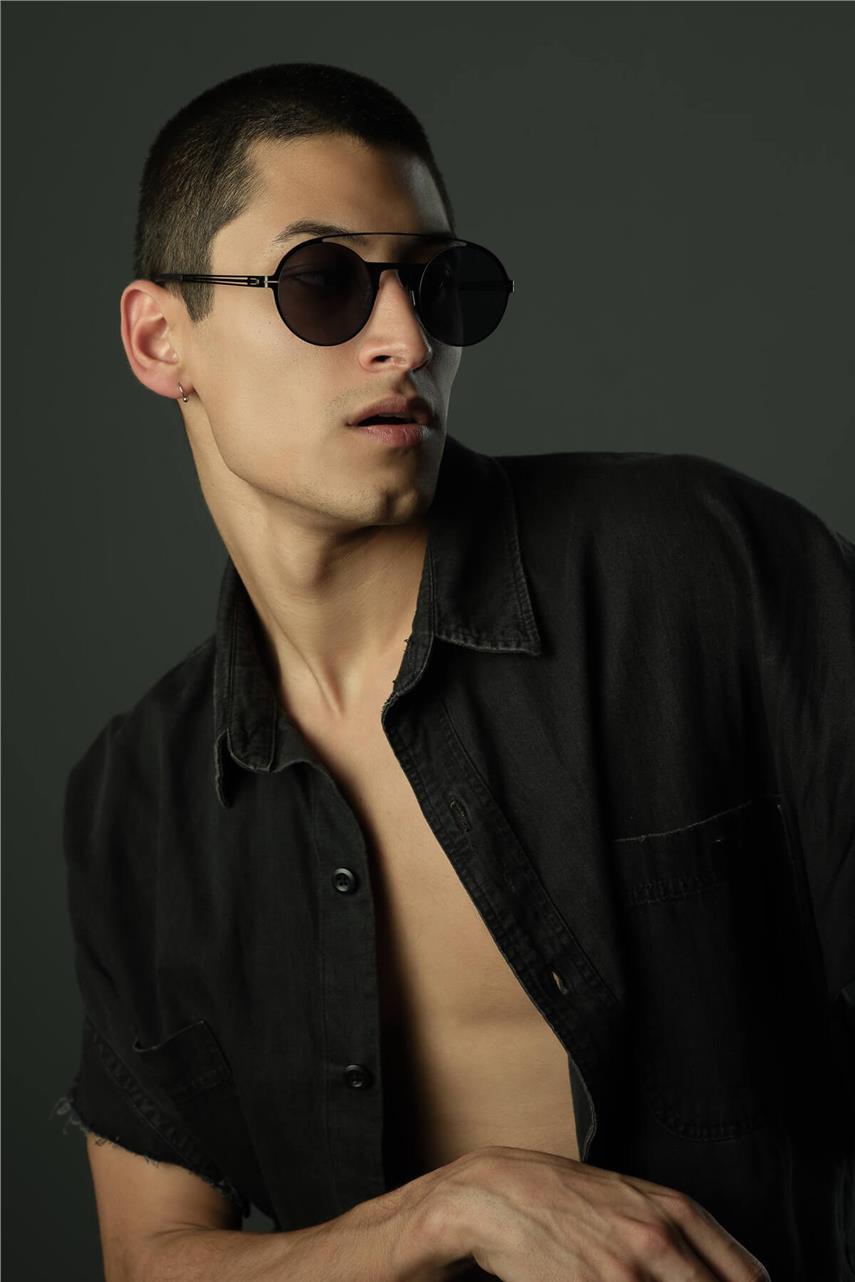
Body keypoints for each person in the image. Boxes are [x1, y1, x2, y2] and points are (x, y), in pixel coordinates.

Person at [51, 62, 854, 1282]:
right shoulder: (139, 801)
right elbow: (149, 1258)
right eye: (324, 282)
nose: (409, 339)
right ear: (163, 339)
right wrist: (443, 1212)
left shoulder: (698, 570)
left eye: (436, 285)